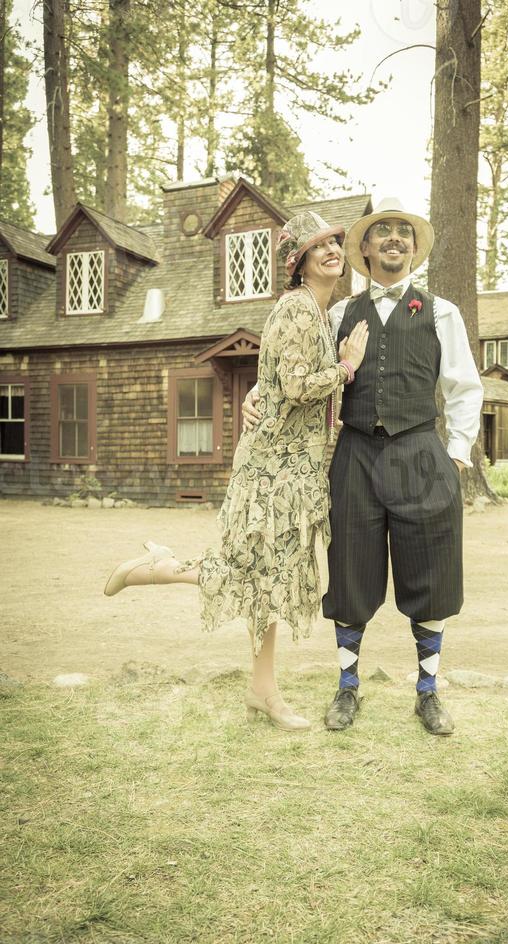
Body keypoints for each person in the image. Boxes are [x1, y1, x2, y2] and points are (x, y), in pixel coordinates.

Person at [103, 211, 369, 732]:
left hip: (296, 470)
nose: (333, 251)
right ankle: (154, 569)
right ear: (300, 264)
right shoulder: (295, 308)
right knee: (253, 574)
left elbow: (276, 384)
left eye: (335, 243)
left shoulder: (319, 312)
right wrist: (346, 367)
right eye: (320, 248)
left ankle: (261, 691)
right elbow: (294, 387)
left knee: (267, 581)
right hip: (272, 471)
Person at [242, 199, 483, 735]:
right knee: (350, 574)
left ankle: (427, 692)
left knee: (430, 576)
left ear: (414, 249)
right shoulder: (335, 314)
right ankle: (347, 688)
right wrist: (256, 393)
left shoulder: (441, 312)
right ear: (366, 250)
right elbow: (295, 363)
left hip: (421, 453)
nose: (394, 239)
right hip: (353, 456)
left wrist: (458, 451)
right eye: (382, 233)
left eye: (403, 233)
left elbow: (464, 387)